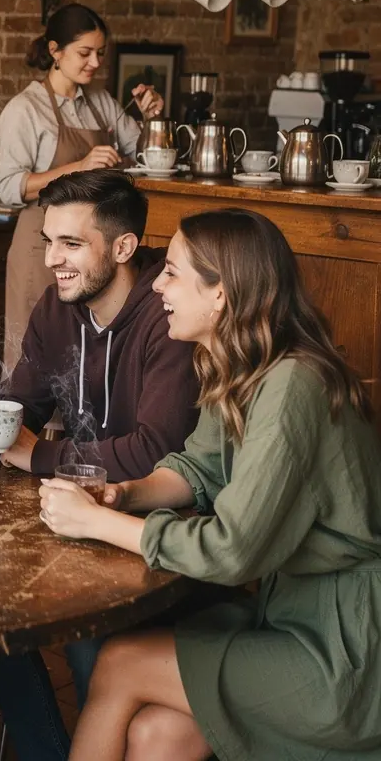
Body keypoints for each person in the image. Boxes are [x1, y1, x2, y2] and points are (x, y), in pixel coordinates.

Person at [38, 208, 381, 761]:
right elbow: (197, 468)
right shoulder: (247, 363)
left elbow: (232, 550)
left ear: (220, 293)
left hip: (346, 652)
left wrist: (101, 523)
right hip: (289, 615)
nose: (156, 284)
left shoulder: (294, 384)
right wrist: (126, 495)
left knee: (120, 661)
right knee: (158, 733)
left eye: (171, 271)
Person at [0, 170, 201, 761]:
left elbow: (154, 450)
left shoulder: (171, 317)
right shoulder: (58, 307)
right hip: (78, 516)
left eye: (70, 245)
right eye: (48, 241)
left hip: (157, 527)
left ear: (122, 248)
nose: (52, 260)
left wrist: (38, 454)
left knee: (90, 643)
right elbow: (27, 401)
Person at [0, 4, 164, 368]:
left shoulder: (102, 103)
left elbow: (146, 158)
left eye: (100, 53)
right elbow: (9, 186)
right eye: (84, 53)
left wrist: (153, 119)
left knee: (84, 360)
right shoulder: (25, 109)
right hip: (42, 247)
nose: (95, 62)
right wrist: (79, 165)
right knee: (37, 358)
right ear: (55, 51)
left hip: (92, 249)